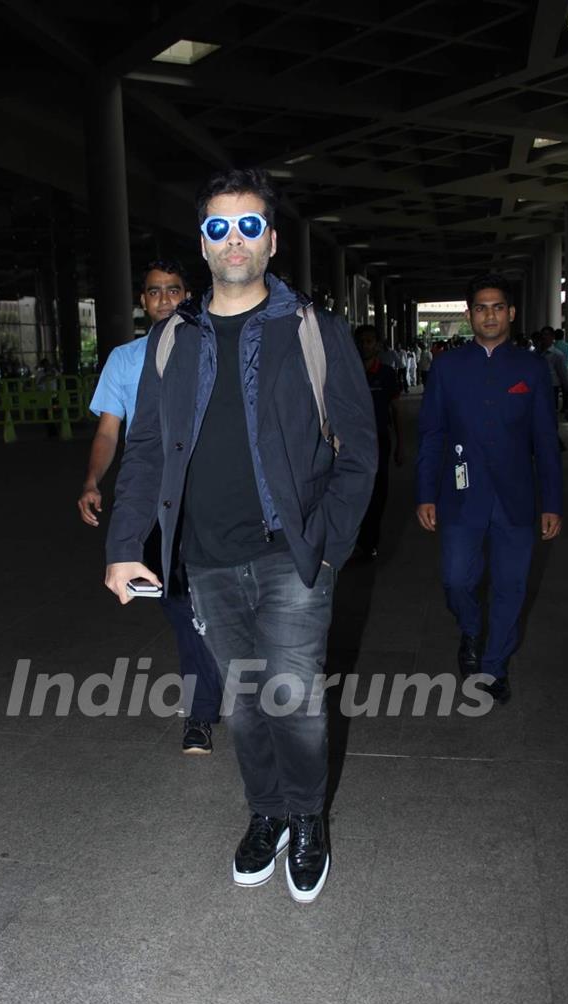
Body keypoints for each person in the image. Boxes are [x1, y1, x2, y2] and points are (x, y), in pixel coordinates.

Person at [104, 167, 377, 903]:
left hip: (292, 554)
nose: (234, 240)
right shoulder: (172, 340)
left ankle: (308, 819)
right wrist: (123, 545)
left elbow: (360, 447)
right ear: (203, 242)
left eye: (249, 225)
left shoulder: (313, 331)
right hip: (208, 557)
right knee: (245, 703)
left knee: (296, 698)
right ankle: (268, 815)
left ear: (272, 240)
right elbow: (149, 450)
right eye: (220, 227)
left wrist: (328, 545)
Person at [78, 259, 223, 755]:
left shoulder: (210, 349)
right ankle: (202, 709)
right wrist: (93, 479)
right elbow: (108, 431)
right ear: (143, 300)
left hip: (209, 494)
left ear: (189, 296)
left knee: (216, 604)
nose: (164, 300)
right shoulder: (125, 359)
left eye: (174, 291)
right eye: (154, 292)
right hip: (156, 499)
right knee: (179, 606)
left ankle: (209, 704)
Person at [416, 272, 563, 704]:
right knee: (456, 579)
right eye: (481, 308)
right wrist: (425, 493)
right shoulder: (447, 367)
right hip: (461, 494)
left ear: (511, 313)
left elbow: (545, 442)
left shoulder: (532, 368)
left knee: (511, 585)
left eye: (498, 307)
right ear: (469, 315)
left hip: (516, 498)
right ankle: (471, 629)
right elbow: (432, 435)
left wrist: (551, 501)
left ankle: (494, 666)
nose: (490, 315)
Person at [354, 323, 403, 558]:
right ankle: (356, 537)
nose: (365, 345)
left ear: (378, 345)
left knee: (377, 492)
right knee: (354, 490)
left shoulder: (386, 374)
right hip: (352, 443)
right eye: (361, 341)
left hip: (380, 440)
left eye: (370, 341)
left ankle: (370, 541)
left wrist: (400, 444)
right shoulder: (347, 372)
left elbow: (396, 409)